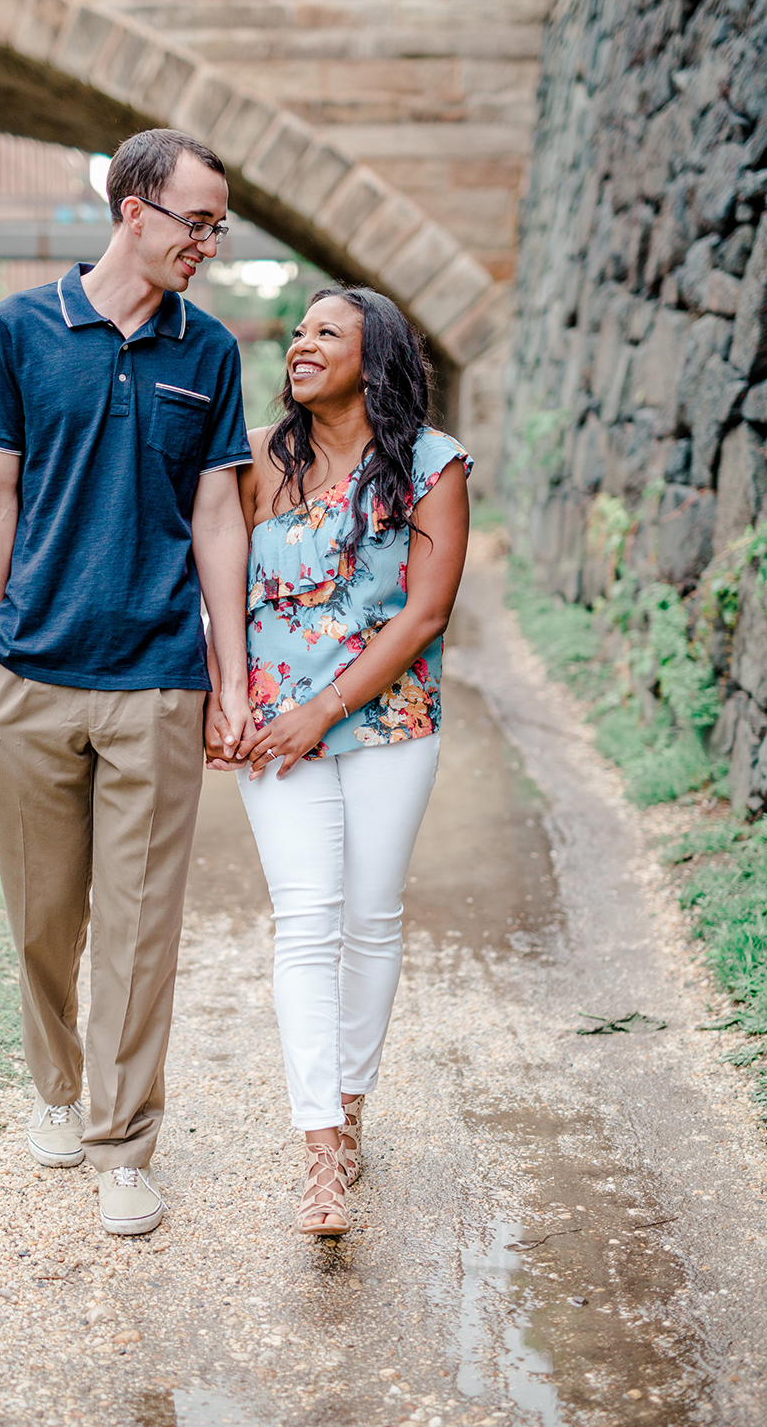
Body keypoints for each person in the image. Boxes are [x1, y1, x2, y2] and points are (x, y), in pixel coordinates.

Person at [0, 128, 255, 1237]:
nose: (209, 244)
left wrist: (226, 676)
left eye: (219, 227)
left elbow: (216, 514)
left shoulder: (209, 351)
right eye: (196, 221)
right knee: (45, 919)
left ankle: (123, 1142)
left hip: (157, 678)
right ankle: (53, 1085)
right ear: (132, 207)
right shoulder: (19, 329)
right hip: (31, 676)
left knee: (141, 930)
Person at [205, 287, 471, 1235]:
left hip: (389, 719)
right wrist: (225, 691)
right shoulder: (253, 464)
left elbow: (424, 614)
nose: (302, 345)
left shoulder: (430, 467)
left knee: (371, 916)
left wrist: (326, 707)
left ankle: (352, 1110)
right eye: (300, 331)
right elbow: (217, 581)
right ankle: (321, 1152)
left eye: (329, 333)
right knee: (306, 921)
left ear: (377, 357)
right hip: (276, 730)